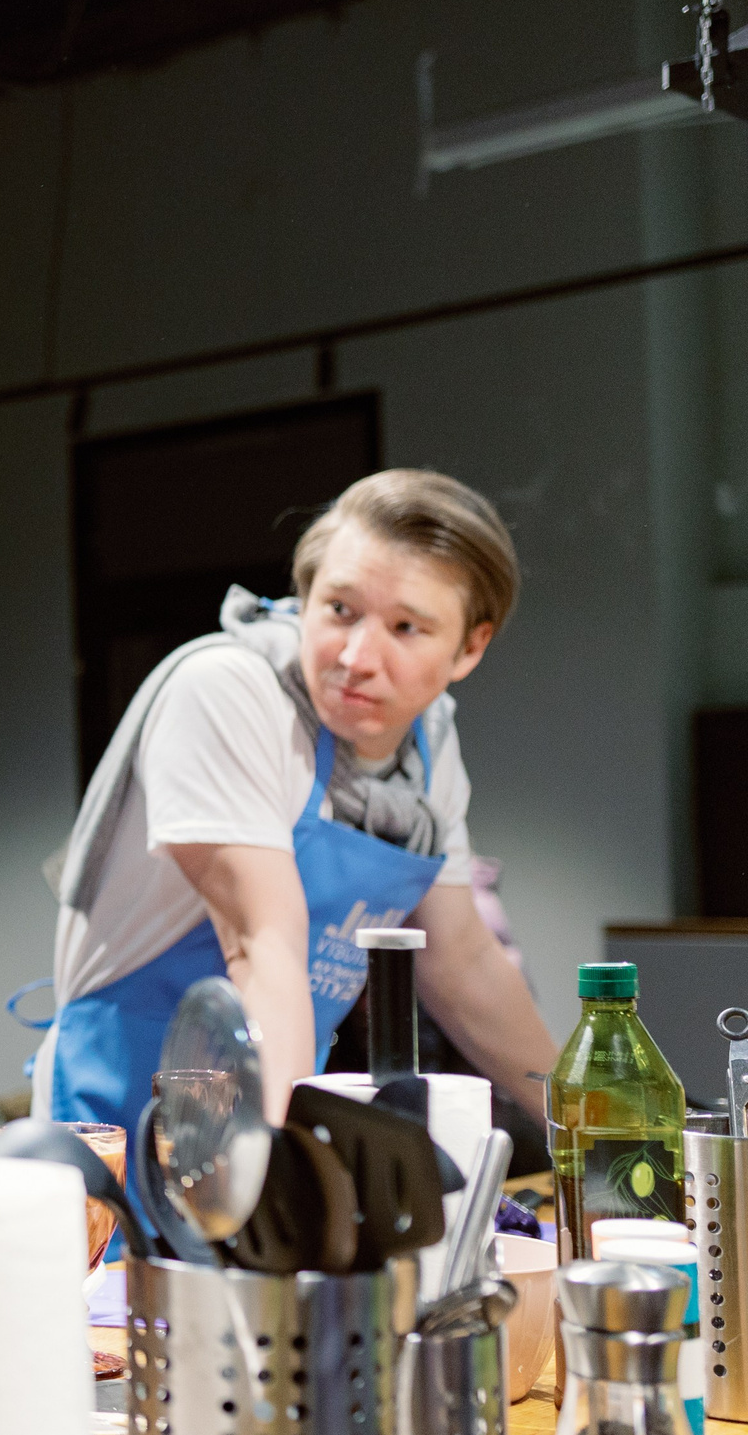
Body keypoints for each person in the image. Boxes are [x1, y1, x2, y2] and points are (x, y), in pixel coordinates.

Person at [41, 469, 558, 1141]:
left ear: (471, 647)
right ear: (304, 597)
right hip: (123, 1118)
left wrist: (594, 1126)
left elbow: (463, 961)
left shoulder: (428, 744)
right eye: (340, 609)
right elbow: (264, 945)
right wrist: (281, 1165)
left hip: (272, 1095)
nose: (357, 656)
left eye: (406, 626)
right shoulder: (229, 691)